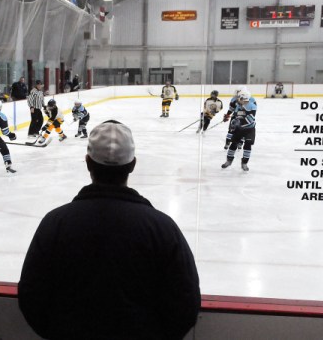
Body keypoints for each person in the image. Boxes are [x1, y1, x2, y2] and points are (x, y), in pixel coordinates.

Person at [18, 120, 201, 340]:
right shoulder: (161, 227)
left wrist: (60, 332)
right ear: (132, 165)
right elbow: (186, 301)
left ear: (87, 163)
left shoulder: (55, 223)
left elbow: (31, 294)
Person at [221, 90, 257, 172]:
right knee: (233, 144)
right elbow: (236, 115)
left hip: (249, 129)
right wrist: (233, 121)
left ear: (244, 98)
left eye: (239, 98)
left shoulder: (252, 106)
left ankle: (244, 163)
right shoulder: (239, 105)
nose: (237, 99)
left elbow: (251, 119)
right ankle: (229, 161)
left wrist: (239, 122)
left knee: (248, 145)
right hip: (239, 129)